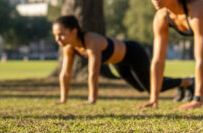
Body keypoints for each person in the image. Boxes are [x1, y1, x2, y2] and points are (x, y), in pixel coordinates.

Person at [52, 15, 193, 104]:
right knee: (141, 87)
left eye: (61, 34)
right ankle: (183, 84)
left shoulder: (91, 40)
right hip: (119, 63)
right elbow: (65, 74)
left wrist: (91, 100)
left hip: (133, 53)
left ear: (74, 31)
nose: (57, 39)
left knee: (152, 88)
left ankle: (188, 81)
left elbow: (93, 73)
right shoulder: (69, 48)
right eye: (55, 35)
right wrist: (63, 99)